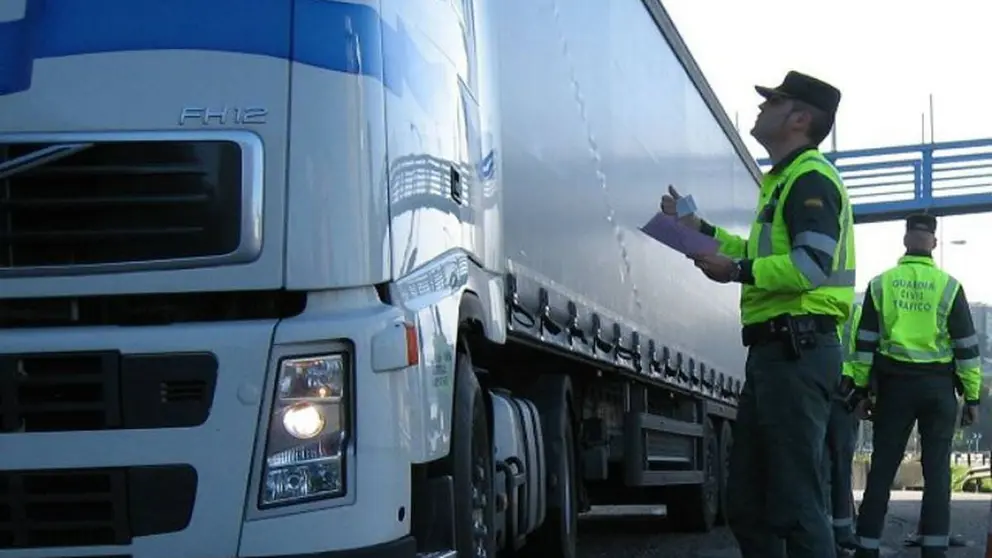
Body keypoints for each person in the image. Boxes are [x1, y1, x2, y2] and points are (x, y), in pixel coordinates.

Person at [662, 70, 855, 558]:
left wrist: (737, 269)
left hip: (797, 352)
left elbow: (810, 266)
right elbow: (756, 251)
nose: (761, 108)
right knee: (749, 504)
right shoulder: (784, 182)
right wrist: (696, 231)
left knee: (793, 502)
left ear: (799, 118)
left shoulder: (810, 179)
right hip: (777, 355)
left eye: (773, 102)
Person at [842, 213, 982, 558]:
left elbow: (865, 345)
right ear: (933, 243)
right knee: (937, 475)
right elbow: (967, 348)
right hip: (937, 389)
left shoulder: (881, 284)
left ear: (905, 241)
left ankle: (867, 547)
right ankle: (934, 550)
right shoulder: (949, 287)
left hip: (895, 388)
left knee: (883, 470)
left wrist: (861, 390)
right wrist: (973, 397)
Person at [828, 303, 863, 555]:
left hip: (824, 393)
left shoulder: (807, 304)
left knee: (818, 464)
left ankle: (834, 532)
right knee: (840, 466)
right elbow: (867, 353)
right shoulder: (855, 311)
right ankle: (841, 532)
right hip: (845, 396)